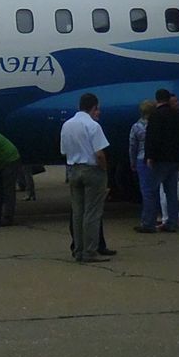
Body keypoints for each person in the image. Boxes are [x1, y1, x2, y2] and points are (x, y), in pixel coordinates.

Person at [61, 94, 110, 261]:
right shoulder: (93, 126)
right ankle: (90, 251)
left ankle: (78, 249)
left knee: (78, 212)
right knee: (93, 212)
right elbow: (100, 154)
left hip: (73, 169)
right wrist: (104, 170)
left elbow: (64, 150)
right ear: (94, 107)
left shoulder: (67, 125)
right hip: (91, 170)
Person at [145, 88, 179, 231]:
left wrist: (150, 156)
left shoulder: (155, 116)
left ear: (157, 99)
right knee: (171, 193)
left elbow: (152, 138)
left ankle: (149, 223)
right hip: (175, 159)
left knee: (151, 191)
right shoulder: (177, 115)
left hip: (160, 159)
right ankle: (172, 222)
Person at [129, 101, 159, 232]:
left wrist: (132, 162)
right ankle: (164, 216)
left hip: (142, 159)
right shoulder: (158, 125)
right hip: (158, 159)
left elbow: (132, 146)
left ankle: (148, 222)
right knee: (158, 190)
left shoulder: (137, 127)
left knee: (146, 192)